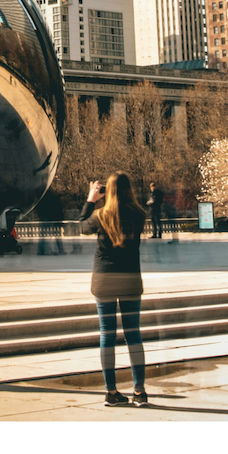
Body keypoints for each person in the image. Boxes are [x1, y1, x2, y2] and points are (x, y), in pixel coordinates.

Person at [80, 173, 149, 407]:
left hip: (104, 281)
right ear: (130, 190)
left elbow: (82, 227)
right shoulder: (139, 215)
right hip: (129, 280)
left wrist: (91, 200)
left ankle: (111, 391)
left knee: (107, 335)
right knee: (134, 336)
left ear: (107, 191)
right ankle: (139, 391)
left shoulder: (100, 215)